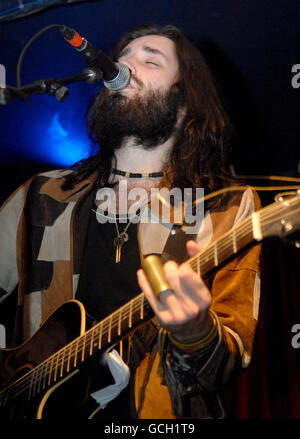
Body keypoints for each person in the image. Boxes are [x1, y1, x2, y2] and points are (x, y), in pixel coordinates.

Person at [0, 24, 261, 419]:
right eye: (123, 58)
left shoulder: (223, 205)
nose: (125, 65)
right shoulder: (42, 194)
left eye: (150, 59)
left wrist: (195, 332)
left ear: (185, 100)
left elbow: (230, 359)